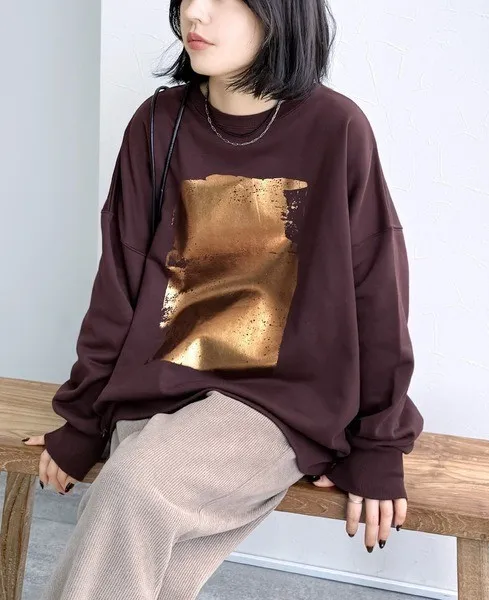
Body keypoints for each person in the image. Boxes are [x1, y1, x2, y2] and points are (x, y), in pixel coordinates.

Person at [25, 0, 424, 597]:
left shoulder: (337, 128)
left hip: (278, 400)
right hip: (157, 384)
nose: (196, 12)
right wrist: (83, 420)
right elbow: (118, 284)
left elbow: (377, 292)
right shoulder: (158, 124)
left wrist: (378, 446)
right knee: (141, 541)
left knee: (134, 489)